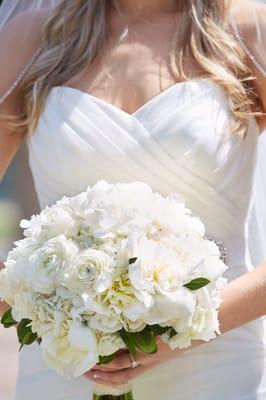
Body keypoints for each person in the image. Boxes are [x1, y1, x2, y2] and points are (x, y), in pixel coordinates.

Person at [0, 0, 266, 399]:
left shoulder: (247, 31)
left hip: (215, 367)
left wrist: (188, 324)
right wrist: (45, 314)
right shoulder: (35, 39)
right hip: (65, 369)